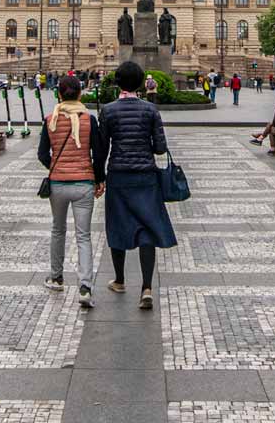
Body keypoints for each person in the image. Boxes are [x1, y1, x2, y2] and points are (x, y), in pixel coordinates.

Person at [99, 60, 177, 310]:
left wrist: (98, 176)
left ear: (117, 82)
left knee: (118, 224)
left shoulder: (108, 110)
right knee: (147, 229)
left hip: (119, 175)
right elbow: (160, 148)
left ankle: (120, 280)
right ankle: (146, 287)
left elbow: (101, 148)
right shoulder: (150, 110)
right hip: (146, 177)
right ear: (142, 83)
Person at [38, 75, 106, 308]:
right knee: (83, 236)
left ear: (59, 94)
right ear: (80, 94)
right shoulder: (89, 120)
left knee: (58, 230)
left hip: (58, 184)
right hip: (83, 183)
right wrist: (99, 179)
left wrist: (56, 167)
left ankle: (56, 277)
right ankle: (85, 286)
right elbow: (98, 154)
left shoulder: (50, 119)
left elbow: (41, 154)